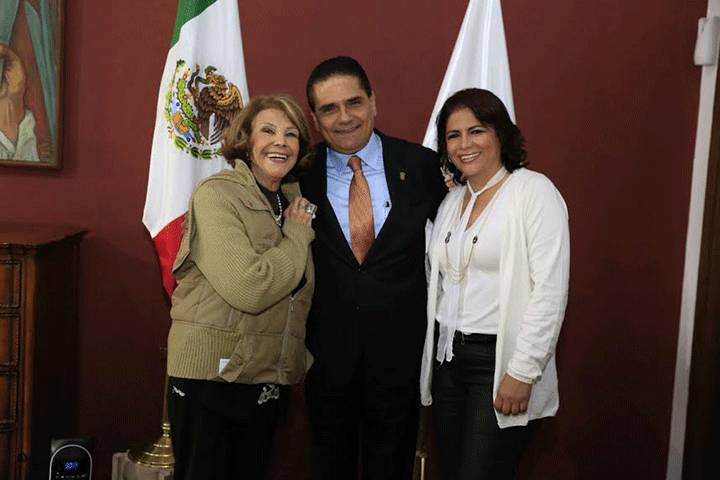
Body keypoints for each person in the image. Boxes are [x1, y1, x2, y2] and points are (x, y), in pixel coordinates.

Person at [300, 56, 447, 480]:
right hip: (325, 360)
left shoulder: (421, 166)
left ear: (373, 102)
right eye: (329, 109)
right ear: (314, 119)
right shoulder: (298, 174)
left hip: (400, 360)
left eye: (354, 102)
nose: (344, 117)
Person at [420, 88, 570, 479]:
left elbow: (550, 291)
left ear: (500, 133)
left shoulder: (533, 191)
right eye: (453, 135)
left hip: (498, 362)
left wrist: (522, 372)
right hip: (448, 363)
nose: (464, 144)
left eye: (477, 131)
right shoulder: (451, 202)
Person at [166, 94, 317, 480]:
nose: (280, 142)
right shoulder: (217, 194)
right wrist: (298, 234)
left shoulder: (291, 200)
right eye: (268, 130)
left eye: (291, 134)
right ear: (246, 140)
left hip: (266, 378)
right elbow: (250, 287)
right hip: (213, 380)